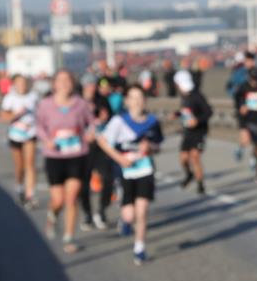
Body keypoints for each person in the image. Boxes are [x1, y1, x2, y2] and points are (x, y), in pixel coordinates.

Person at [96, 85, 164, 265]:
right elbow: (102, 141)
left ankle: (139, 248)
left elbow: (158, 146)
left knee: (142, 211)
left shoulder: (152, 121)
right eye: (132, 97)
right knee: (129, 215)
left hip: (145, 170)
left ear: (145, 100)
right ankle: (124, 221)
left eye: (140, 97)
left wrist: (150, 148)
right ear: (126, 101)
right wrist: (119, 158)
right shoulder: (119, 121)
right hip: (124, 172)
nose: (137, 101)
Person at [35, 70, 95, 254]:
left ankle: (69, 237)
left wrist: (90, 133)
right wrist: (47, 140)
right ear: (54, 84)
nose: (64, 83)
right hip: (54, 156)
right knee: (58, 199)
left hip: (77, 153)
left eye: (68, 80)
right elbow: (39, 126)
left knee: (71, 197)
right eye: (60, 80)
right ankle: (52, 215)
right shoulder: (45, 105)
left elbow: (91, 123)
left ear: (73, 83)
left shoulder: (81, 104)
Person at [0, 74, 40, 207]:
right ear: (14, 84)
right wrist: (16, 114)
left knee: (30, 164)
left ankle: (31, 195)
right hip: (16, 134)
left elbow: (41, 113)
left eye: (24, 82)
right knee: (20, 166)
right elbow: (3, 117)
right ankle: (19, 187)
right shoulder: (10, 98)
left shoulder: (33, 96)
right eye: (19, 83)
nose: (22, 85)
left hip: (31, 133)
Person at [79, 80, 114, 230]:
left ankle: (101, 210)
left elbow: (112, 120)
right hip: (83, 147)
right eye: (88, 85)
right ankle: (87, 214)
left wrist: (105, 118)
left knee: (108, 178)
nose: (91, 88)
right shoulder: (77, 102)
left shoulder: (102, 100)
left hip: (101, 145)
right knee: (83, 183)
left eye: (93, 85)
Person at [175, 69, 212, 196]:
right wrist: (176, 114)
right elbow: (185, 111)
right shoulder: (184, 97)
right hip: (187, 132)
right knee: (183, 159)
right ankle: (189, 174)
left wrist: (198, 120)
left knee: (195, 157)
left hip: (199, 132)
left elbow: (208, 112)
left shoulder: (197, 96)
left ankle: (200, 184)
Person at [226, 52, 252, 161]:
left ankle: (242, 149)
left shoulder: (237, 72)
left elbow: (229, 88)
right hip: (243, 106)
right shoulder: (240, 73)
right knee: (247, 133)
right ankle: (252, 157)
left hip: (247, 106)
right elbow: (231, 89)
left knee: (248, 133)